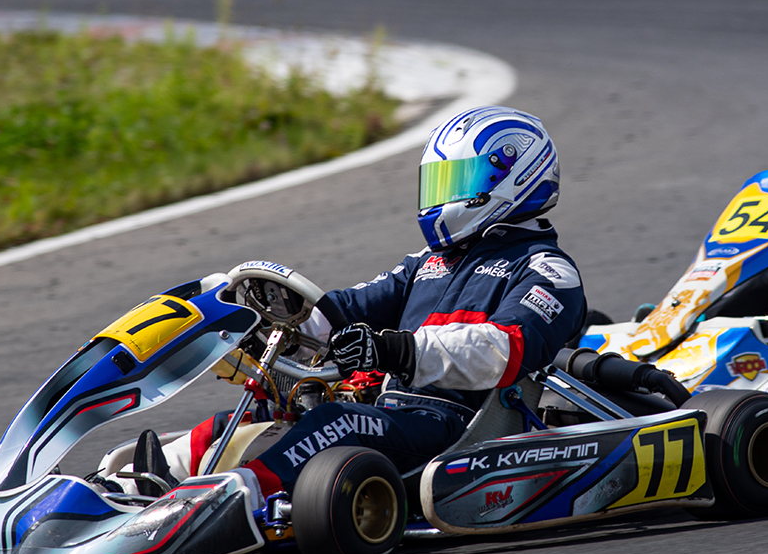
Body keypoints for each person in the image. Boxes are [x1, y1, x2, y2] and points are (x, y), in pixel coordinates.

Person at [99, 106, 586, 498]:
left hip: (453, 427)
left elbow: (506, 350)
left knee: (337, 421)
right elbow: (340, 313)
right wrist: (270, 325)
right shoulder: (427, 264)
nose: (443, 198)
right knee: (264, 413)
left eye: (458, 182)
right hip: (389, 411)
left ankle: (232, 498)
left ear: (512, 175)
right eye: (439, 183)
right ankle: (132, 484)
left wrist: (398, 350)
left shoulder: (547, 270)